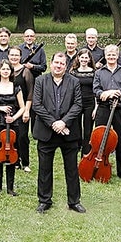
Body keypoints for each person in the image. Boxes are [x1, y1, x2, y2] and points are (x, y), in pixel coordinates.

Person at [32, 52, 85, 214]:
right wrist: (54, 123)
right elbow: (37, 105)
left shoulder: (74, 81)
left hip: (69, 132)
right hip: (46, 132)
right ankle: (44, 200)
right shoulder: (40, 81)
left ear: (66, 66)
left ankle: (74, 201)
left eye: (62, 64)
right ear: (51, 63)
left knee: (71, 169)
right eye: (56, 62)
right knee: (44, 168)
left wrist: (64, 122)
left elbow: (78, 104)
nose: (58, 66)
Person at [0, 60, 26, 195]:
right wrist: (0, 108)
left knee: (13, 154)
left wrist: (14, 118)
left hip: (13, 124)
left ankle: (10, 187)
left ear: (11, 72)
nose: (6, 71)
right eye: (3, 69)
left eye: (8, 69)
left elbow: (22, 107)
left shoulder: (16, 87)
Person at [93, 44, 121, 181]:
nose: (111, 56)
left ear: (118, 55)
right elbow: (96, 90)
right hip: (103, 108)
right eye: (108, 54)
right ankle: (98, 165)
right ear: (105, 56)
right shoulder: (99, 72)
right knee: (100, 138)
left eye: (113, 54)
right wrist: (105, 93)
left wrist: (117, 92)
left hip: (120, 109)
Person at [69, 48, 97, 154]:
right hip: (77, 103)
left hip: (90, 103)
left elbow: (96, 91)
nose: (84, 59)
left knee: (88, 128)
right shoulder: (73, 72)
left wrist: (96, 107)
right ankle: (76, 147)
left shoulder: (94, 73)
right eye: (82, 57)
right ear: (78, 58)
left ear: (89, 59)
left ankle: (86, 151)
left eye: (86, 57)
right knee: (76, 127)